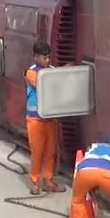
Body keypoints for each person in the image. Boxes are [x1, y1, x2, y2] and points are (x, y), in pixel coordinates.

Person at [25, 41, 66, 195]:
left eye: (48, 57)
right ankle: (35, 182)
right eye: (44, 58)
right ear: (36, 57)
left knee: (51, 152)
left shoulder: (51, 70)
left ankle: (48, 180)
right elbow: (45, 85)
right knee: (37, 152)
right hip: (35, 119)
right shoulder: (31, 72)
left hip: (50, 118)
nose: (47, 60)